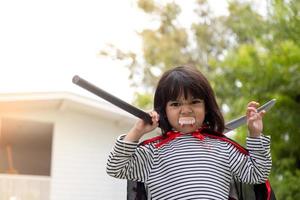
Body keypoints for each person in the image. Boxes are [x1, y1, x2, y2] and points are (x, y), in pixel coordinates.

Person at [106, 66, 272, 200]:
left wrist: (255, 134)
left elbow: (257, 174)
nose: (186, 110)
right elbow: (116, 168)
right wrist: (137, 131)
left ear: (207, 108)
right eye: (176, 104)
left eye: (194, 102)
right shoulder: (152, 152)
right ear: (163, 110)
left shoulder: (223, 148)